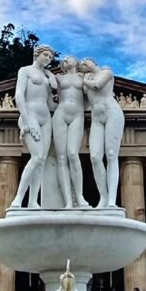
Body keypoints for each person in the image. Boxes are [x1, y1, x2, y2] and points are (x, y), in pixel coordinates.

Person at [10, 45, 57, 208]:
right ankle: (18, 198)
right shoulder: (25, 71)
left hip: (45, 117)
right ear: (37, 54)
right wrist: (27, 119)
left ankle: (32, 201)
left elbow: (51, 104)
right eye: (45, 55)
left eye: (50, 58)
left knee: (41, 161)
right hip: (31, 115)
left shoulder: (47, 77)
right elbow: (19, 95)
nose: (48, 59)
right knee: (36, 157)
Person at [78, 57, 125, 208]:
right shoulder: (86, 80)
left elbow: (97, 86)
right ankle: (103, 197)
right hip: (96, 118)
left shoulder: (106, 72)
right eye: (82, 65)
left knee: (111, 155)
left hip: (112, 113)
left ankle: (112, 200)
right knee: (95, 157)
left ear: (93, 62)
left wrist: (83, 80)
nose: (83, 65)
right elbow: (85, 103)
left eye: (85, 62)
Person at [51, 55, 90, 208]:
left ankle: (79, 197)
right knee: (61, 157)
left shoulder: (84, 76)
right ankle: (68, 200)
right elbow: (48, 84)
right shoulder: (58, 77)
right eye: (64, 60)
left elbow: (90, 94)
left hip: (77, 114)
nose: (66, 60)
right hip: (60, 113)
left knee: (73, 154)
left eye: (69, 58)